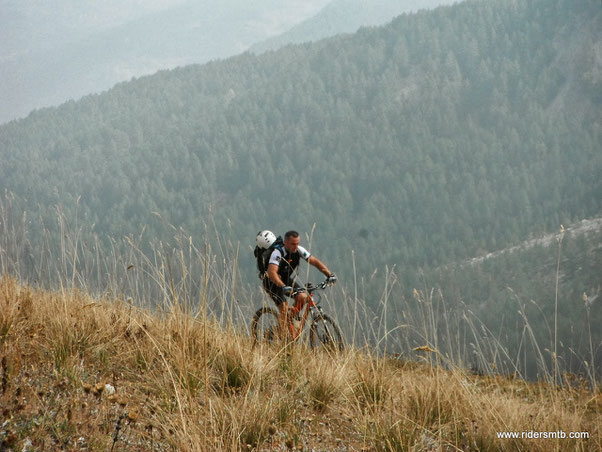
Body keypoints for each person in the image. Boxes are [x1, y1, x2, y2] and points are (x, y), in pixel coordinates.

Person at [257, 230, 336, 338]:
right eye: (293, 244)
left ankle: (289, 321)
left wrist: (329, 275)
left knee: (302, 297)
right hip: (272, 282)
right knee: (283, 307)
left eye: (297, 243)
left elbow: (314, 261)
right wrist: (283, 286)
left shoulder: (299, 250)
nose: (296, 246)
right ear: (285, 243)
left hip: (285, 279)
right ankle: (282, 337)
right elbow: (272, 272)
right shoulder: (278, 253)